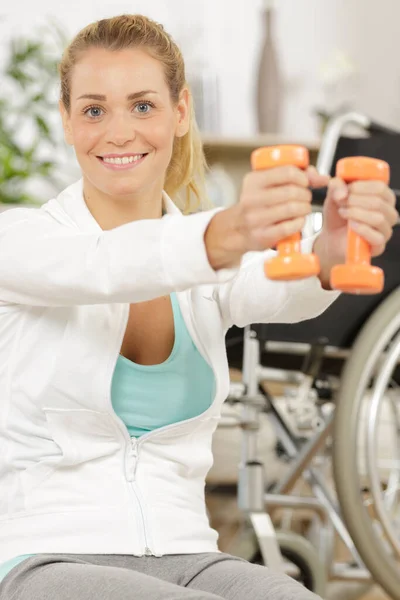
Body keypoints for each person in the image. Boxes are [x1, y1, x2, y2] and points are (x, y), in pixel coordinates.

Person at [0, 13, 397, 600]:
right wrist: (229, 229)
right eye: (92, 110)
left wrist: (330, 249)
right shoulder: (23, 242)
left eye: (142, 105)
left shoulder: (203, 265)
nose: (118, 132)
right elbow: (106, 265)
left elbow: (274, 282)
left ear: (180, 111)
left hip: (190, 554)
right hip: (45, 558)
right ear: (65, 120)